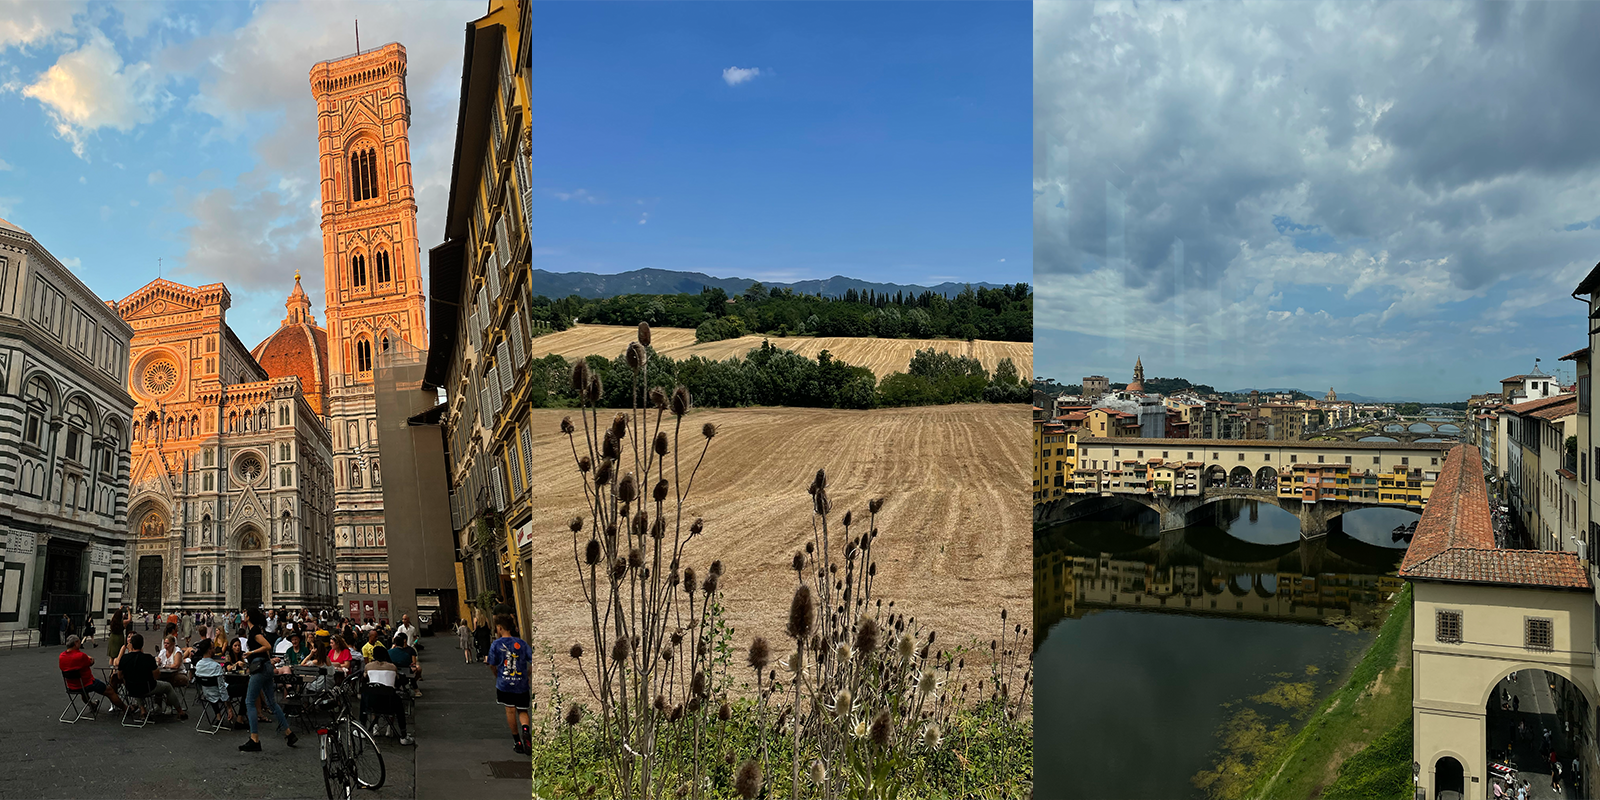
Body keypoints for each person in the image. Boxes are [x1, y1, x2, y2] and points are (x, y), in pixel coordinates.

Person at [238, 606, 296, 752]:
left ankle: (254, 739)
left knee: (250, 702)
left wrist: (251, 652)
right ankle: (289, 733)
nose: (243, 615)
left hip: (260, 669)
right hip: (265, 667)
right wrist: (268, 661)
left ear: (249, 617)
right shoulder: (256, 630)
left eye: (245, 613)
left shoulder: (255, 632)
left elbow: (268, 646)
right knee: (271, 703)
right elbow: (267, 652)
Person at [488, 614, 531, 754]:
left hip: (504, 683)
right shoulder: (522, 643)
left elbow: (491, 663)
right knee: (523, 710)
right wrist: (527, 673)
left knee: (510, 710)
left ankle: (517, 741)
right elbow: (533, 659)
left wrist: (496, 674)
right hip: (521, 683)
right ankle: (526, 729)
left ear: (500, 628)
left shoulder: (496, 644)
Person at [118, 633, 186, 720]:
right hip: (147, 687)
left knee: (135, 685)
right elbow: (156, 675)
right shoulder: (148, 658)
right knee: (167, 686)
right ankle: (180, 711)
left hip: (130, 688)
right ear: (142, 644)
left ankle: (143, 710)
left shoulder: (124, 658)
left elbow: (120, 676)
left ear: (131, 644)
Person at [361, 646, 413, 745]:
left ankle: (364, 727)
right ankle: (403, 734)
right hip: (389, 704)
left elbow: (364, 680)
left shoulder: (368, 666)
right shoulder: (392, 667)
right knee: (398, 702)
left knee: (366, 695)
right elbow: (397, 682)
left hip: (372, 704)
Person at [59, 634, 124, 712]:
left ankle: (92, 705)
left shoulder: (61, 656)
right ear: (76, 643)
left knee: (83, 692)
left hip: (71, 685)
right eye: (79, 643)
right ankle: (125, 708)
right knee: (109, 691)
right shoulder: (80, 656)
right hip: (87, 683)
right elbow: (91, 662)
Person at [192, 639, 246, 729]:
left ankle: (218, 715)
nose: (215, 650)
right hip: (219, 694)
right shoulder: (216, 666)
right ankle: (240, 718)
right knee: (247, 689)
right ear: (209, 650)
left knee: (211, 688)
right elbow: (222, 689)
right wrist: (229, 707)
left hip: (206, 694)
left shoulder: (198, 665)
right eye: (213, 648)